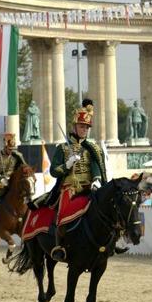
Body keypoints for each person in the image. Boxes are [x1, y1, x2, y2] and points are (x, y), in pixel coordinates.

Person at [37, 103, 107, 261]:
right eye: (82, 126)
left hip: (89, 186)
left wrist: (96, 180)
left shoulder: (92, 148)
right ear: (75, 127)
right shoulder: (62, 148)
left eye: (87, 127)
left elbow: (96, 166)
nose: (85, 129)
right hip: (70, 187)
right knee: (64, 211)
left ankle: (110, 240)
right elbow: (54, 171)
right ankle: (60, 245)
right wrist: (67, 165)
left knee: (106, 208)